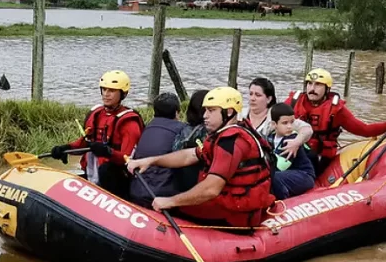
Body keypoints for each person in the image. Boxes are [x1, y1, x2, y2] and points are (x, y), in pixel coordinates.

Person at [126, 86, 276, 228]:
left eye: (211, 111)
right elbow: (188, 156)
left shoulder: (231, 143)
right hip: (226, 204)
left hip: (235, 215)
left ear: (229, 111)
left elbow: (211, 189)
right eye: (205, 110)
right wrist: (151, 160)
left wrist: (170, 201)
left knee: (173, 211)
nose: (205, 116)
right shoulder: (222, 134)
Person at [285, 68, 386, 175]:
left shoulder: (337, 110)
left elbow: (363, 129)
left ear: (327, 88)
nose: (312, 88)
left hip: (320, 155)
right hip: (295, 148)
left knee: (310, 158)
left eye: (318, 84)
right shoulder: (293, 102)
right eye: (310, 84)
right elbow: (274, 120)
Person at [51, 70, 144, 198]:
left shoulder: (129, 122)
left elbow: (127, 158)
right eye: (104, 90)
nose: (106, 94)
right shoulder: (96, 114)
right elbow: (85, 143)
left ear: (123, 94)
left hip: (117, 178)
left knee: (106, 170)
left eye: (111, 91)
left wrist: (107, 152)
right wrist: (66, 148)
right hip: (93, 174)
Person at [128, 92, 189, 209]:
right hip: (162, 196)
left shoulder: (147, 128)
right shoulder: (182, 130)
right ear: (177, 112)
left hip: (137, 191)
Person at [245, 77, 313, 159]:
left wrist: (296, 142)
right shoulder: (240, 115)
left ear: (269, 99)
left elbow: (307, 129)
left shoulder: (278, 115)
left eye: (258, 95)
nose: (252, 98)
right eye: (251, 94)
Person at [267, 103, 316, 200]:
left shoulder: (291, 139)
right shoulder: (270, 138)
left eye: (292, 122)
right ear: (274, 124)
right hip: (288, 174)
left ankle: (282, 200)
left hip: (304, 175)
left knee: (274, 176)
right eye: (285, 123)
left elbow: (282, 166)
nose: (289, 126)